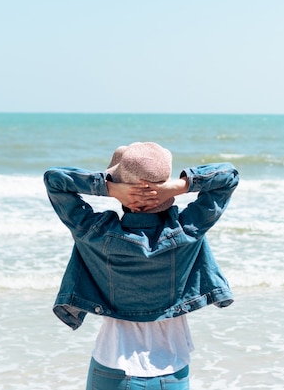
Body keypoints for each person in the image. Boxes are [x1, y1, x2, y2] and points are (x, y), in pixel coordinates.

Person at [44, 141, 239, 390]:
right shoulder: (187, 230)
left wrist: (110, 189)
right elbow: (228, 176)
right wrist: (179, 186)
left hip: (114, 364)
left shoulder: (94, 233)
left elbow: (55, 180)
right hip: (173, 370)